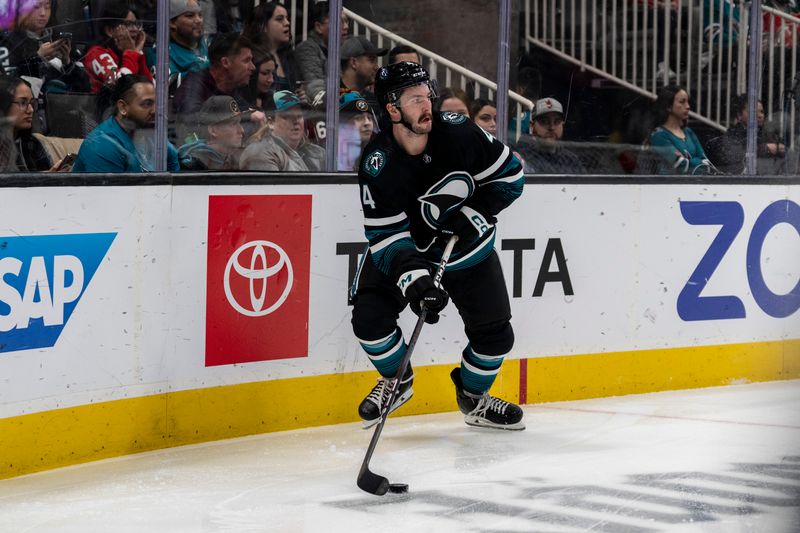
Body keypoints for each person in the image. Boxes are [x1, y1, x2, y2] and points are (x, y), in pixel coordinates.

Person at [350, 61, 525, 431]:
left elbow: (511, 177)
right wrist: (416, 282)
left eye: (426, 94)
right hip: (409, 252)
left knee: (496, 338)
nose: (426, 104)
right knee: (369, 321)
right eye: (414, 99)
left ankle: (474, 398)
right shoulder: (377, 164)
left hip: (469, 252)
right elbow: (385, 238)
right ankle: (397, 381)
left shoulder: (461, 133)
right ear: (392, 110)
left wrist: (476, 212)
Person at [73, 75, 179, 172]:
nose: (155, 110)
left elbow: (174, 184)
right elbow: (111, 192)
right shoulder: (103, 145)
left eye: (158, 103)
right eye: (147, 104)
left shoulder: (151, 138)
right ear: (123, 108)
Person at [174, 32, 264, 144]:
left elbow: (251, 113)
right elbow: (193, 124)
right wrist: (247, 117)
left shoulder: (231, 87)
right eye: (246, 61)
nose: (253, 67)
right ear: (225, 62)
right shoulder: (194, 86)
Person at [0, 0, 90, 94]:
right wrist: (37, 59)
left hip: (66, 105)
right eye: (36, 7)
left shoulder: (61, 40)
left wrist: (67, 63)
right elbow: (8, 89)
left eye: (47, 7)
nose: (43, 13)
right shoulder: (8, 43)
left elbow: (86, 89)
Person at [239, 89, 325, 171]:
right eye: (287, 116)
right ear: (271, 122)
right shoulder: (259, 154)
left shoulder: (317, 153)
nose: (296, 121)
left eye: (299, 115)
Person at [83, 1, 152, 94]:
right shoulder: (96, 53)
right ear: (110, 31)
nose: (135, 29)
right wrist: (131, 52)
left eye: (136, 24)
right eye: (128, 24)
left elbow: (151, 88)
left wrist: (138, 53)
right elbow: (122, 86)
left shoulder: (132, 53)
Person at [648, 85, 712, 174]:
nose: (688, 106)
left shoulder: (688, 132)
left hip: (694, 185)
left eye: (687, 102)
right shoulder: (658, 135)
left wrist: (691, 163)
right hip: (669, 186)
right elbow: (681, 166)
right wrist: (697, 162)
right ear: (668, 107)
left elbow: (707, 163)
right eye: (682, 102)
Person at [294, 1, 349, 103]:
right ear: (319, 27)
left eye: (346, 22)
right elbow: (317, 93)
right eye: (339, 22)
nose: (346, 27)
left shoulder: (339, 51)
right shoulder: (307, 49)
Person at [242, 1, 302, 95]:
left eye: (287, 18)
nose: (287, 23)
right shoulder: (251, 57)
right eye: (279, 19)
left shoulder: (288, 56)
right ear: (263, 25)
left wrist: (300, 96)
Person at [715, 94, 785, 174]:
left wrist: (779, 148)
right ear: (739, 116)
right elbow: (735, 154)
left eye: (762, 112)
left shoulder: (767, 133)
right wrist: (765, 148)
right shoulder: (733, 135)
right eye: (753, 112)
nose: (760, 116)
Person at [515, 97, 586, 173]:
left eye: (557, 121)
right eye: (544, 121)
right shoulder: (520, 159)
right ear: (532, 126)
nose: (552, 127)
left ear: (562, 125)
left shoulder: (571, 160)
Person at [145, 0, 209, 82]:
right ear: (172, 23)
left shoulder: (207, 43)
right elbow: (169, 85)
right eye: (190, 16)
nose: (199, 20)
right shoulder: (160, 53)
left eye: (200, 15)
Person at [0, 75, 53, 171]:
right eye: (23, 103)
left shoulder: (32, 143)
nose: (31, 110)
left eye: (32, 103)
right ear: (3, 104)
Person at [178, 95, 243, 170]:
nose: (241, 130)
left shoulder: (228, 160)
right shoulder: (194, 166)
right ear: (213, 130)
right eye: (234, 123)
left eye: (240, 122)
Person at [340, 35, 386, 112]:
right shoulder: (331, 99)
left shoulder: (375, 101)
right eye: (372, 60)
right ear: (354, 63)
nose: (377, 67)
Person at [337, 91, 373, 171]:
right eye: (359, 118)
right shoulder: (332, 157)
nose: (367, 123)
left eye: (370, 118)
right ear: (343, 124)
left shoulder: (377, 152)